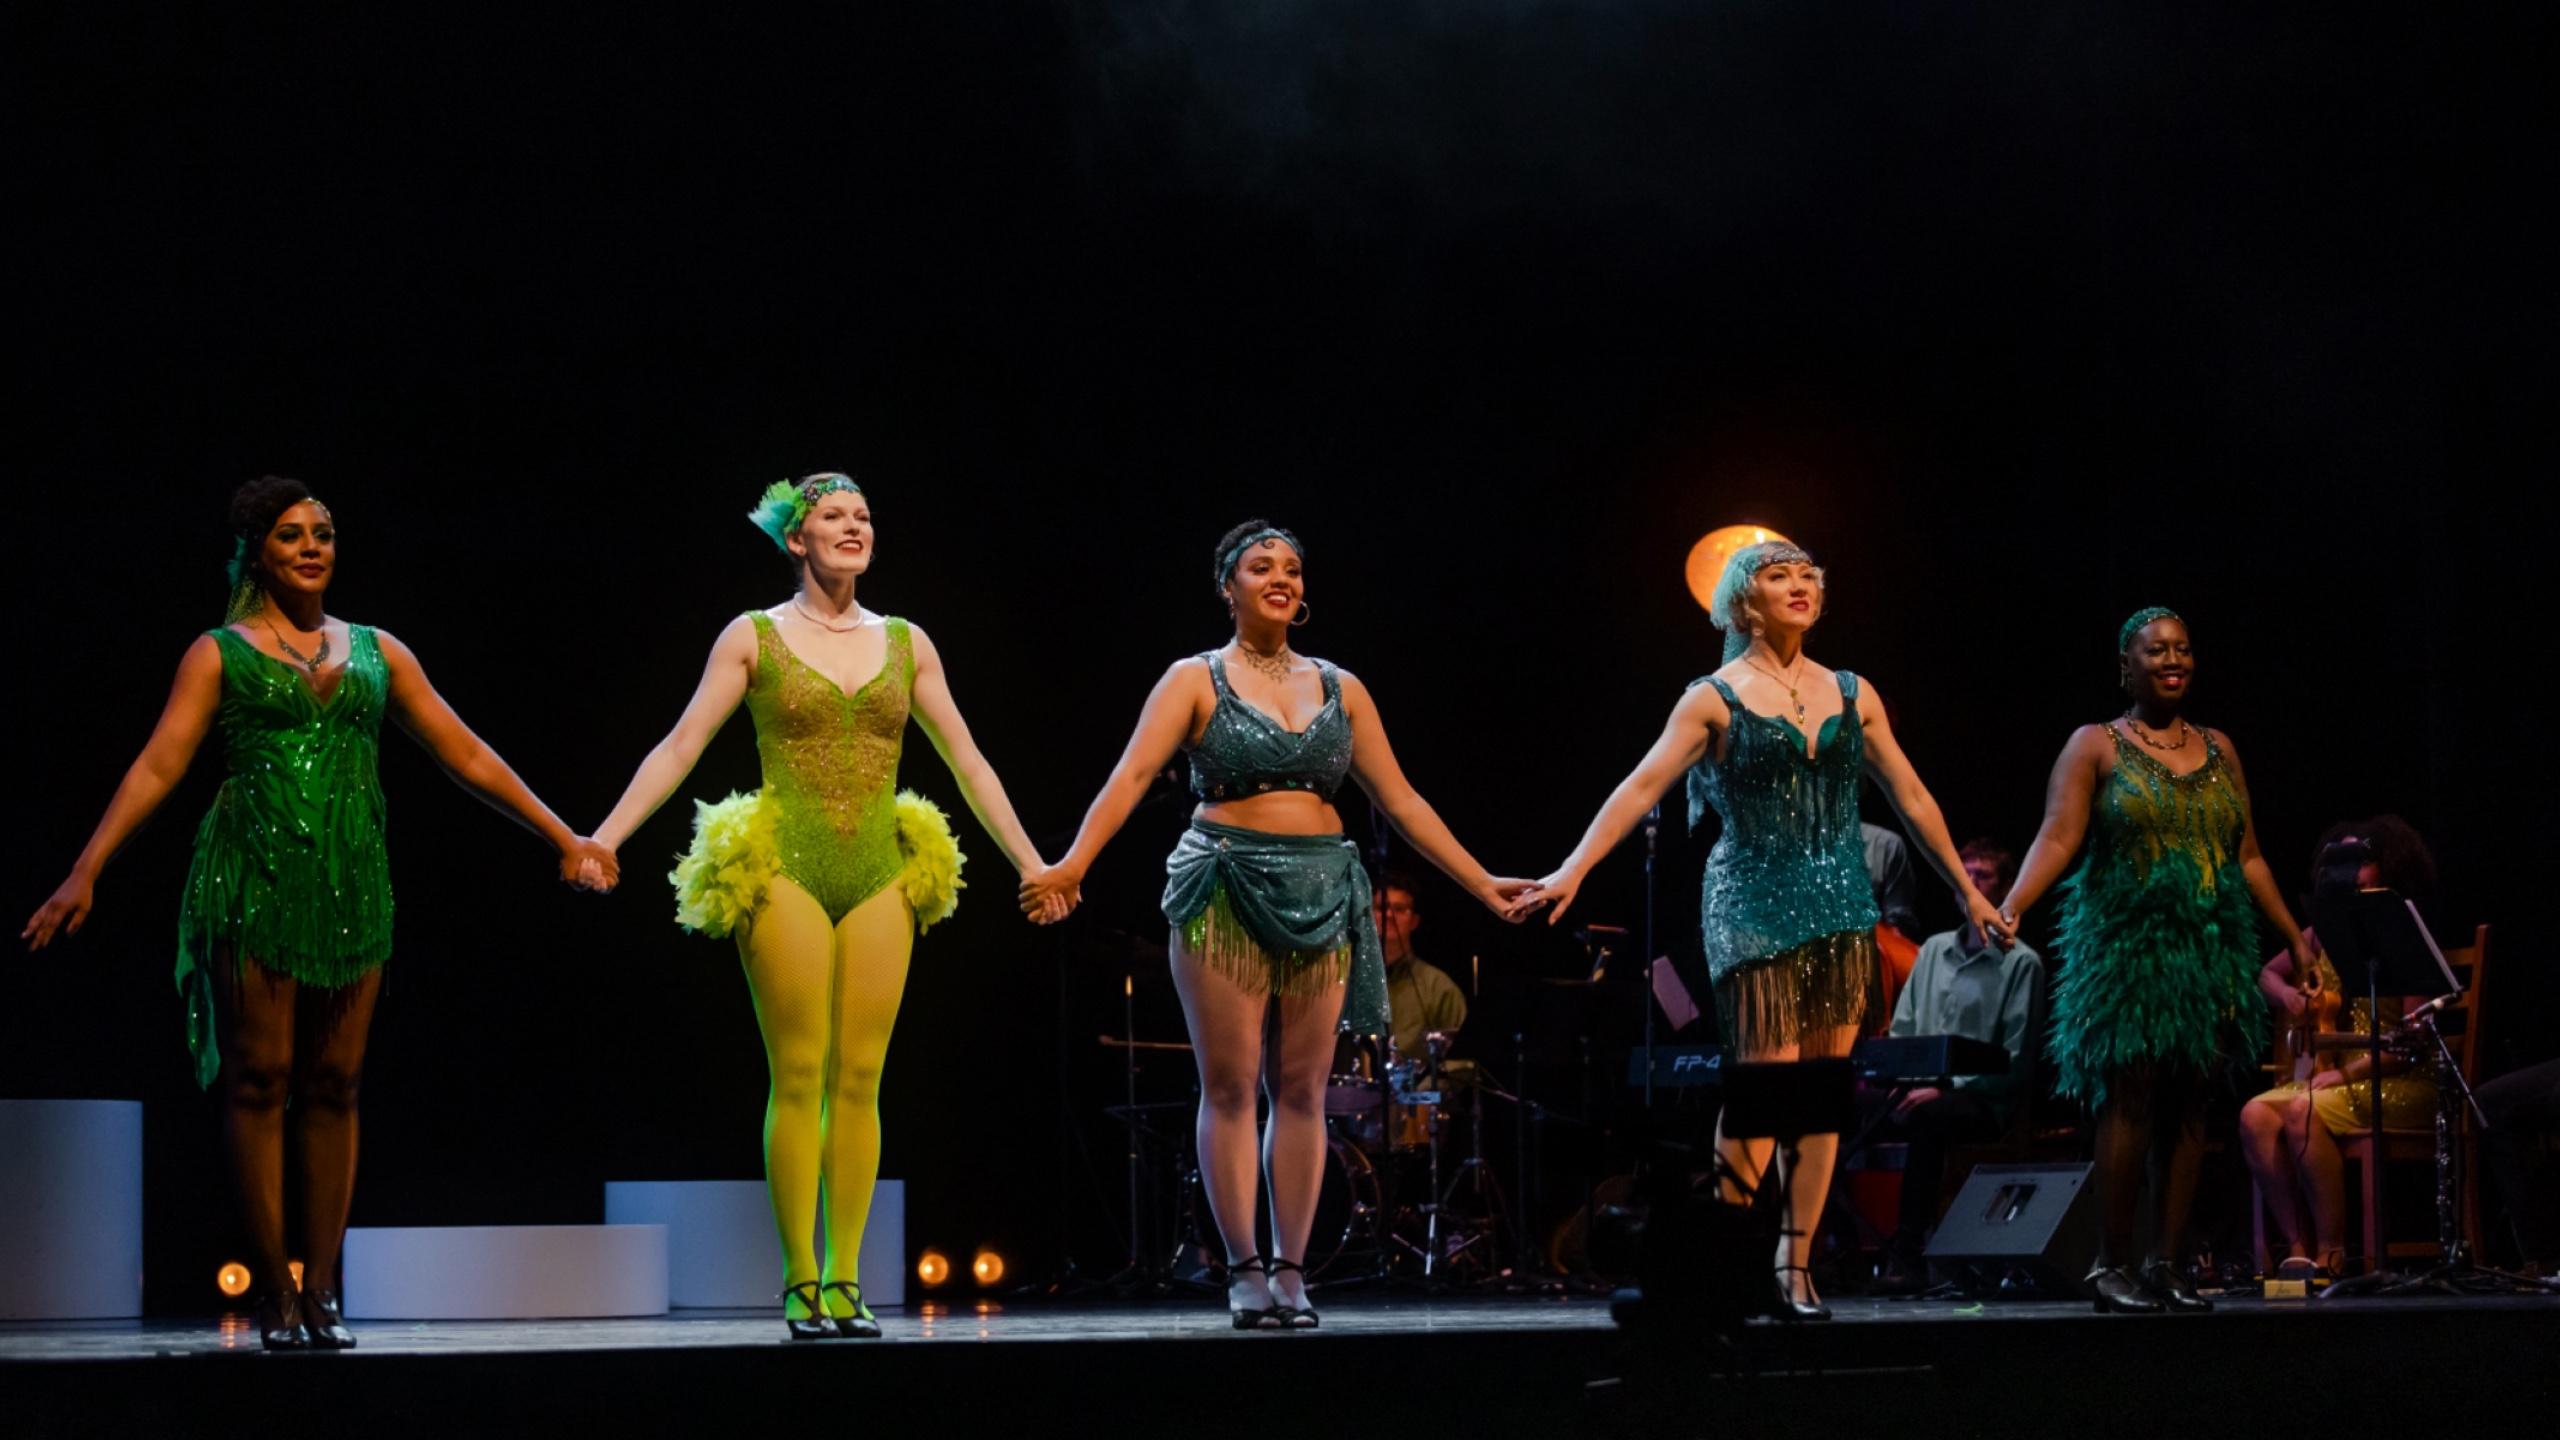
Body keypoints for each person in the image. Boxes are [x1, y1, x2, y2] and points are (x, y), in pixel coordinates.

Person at [22, 476, 616, 1350]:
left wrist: (567, 835)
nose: (312, 548)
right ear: (257, 551)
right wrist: (86, 870)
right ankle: (275, 1291)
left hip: (352, 885)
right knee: (260, 1080)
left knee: (335, 1086)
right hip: (255, 878)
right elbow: (157, 767)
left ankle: (323, 1288)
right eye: (293, 534)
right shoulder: (219, 653)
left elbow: (467, 752)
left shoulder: (378, 650)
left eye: (325, 534)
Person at [1019, 521, 1531, 1329]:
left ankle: (1292, 1270)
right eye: (1261, 567)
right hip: (1223, 880)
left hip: (1325, 885)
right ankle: (1244, 1268)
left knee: (1301, 1090)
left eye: (1292, 568)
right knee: (1229, 1088)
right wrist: (1072, 866)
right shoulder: (1194, 679)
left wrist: (1479, 884)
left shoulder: (1341, 686)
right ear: (1229, 586)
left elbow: (1401, 801)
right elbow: (1131, 777)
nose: (1280, 578)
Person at [582, 474, 1060, 1339]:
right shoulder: (754, 636)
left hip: (880, 866)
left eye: (865, 516)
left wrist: (1037, 864)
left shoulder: (908, 642)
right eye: (833, 517)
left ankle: (847, 1276)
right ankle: (800, 1278)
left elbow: (969, 763)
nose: (854, 527)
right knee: (800, 1073)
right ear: (796, 539)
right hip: (786, 865)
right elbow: (682, 743)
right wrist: (604, 838)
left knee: (863, 1078)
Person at [1519, 541, 2007, 1320]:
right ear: (1744, 601)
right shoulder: (1714, 696)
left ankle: (1795, 1263)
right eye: (1780, 575)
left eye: (1808, 575)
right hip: (1750, 900)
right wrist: (1574, 868)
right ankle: (1731, 1251)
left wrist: (1968, 894)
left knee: (1819, 1092)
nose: (1800, 586)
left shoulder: (1852, 692)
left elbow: (1911, 797)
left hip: (1841, 903)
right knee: (1762, 1085)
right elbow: (1642, 784)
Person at [2001, 607, 2315, 1314]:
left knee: (2190, 1108)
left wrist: (2294, 937)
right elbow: (2058, 835)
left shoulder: (2219, 747)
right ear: (2126, 665)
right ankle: (2109, 1264)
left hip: (2208, 949)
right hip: (2128, 949)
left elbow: (2250, 854)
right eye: (2155, 651)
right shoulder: (2096, 745)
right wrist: (2014, 903)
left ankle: (2165, 1263)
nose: (2172, 660)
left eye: (2183, 649)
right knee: (2132, 1101)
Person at [2238, 818, 2441, 1280]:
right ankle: (2298, 1249)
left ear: (2388, 867)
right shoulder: (2325, 932)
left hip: (2400, 1080)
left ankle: (2334, 1252)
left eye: (2363, 862)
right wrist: (2290, 998)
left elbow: (2410, 1047)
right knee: (2255, 1114)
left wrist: (2346, 1074)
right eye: (2341, 864)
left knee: (2303, 1109)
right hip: (2338, 1078)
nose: (2351, 874)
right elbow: (2267, 973)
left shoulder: (2402, 928)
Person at [1874, 838, 2046, 1292]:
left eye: (1982, 876)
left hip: (1981, 1098)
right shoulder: (1931, 950)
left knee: (1930, 1118)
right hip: (1916, 1087)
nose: (1969, 884)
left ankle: (1907, 1250)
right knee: (1832, 1108)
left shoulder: (2021, 963)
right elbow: (1904, 1029)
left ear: (2006, 888)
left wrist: (1944, 1087)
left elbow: (2014, 1060)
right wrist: (1902, 1082)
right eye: (1963, 875)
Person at [1375, 869, 1467, 1063]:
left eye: (1399, 909)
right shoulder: (1344, 981)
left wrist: (1418, 1093)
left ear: (1414, 921)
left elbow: (1462, 1061)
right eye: (1381, 907)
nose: (1389, 915)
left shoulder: (1439, 988)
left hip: (1415, 1091)